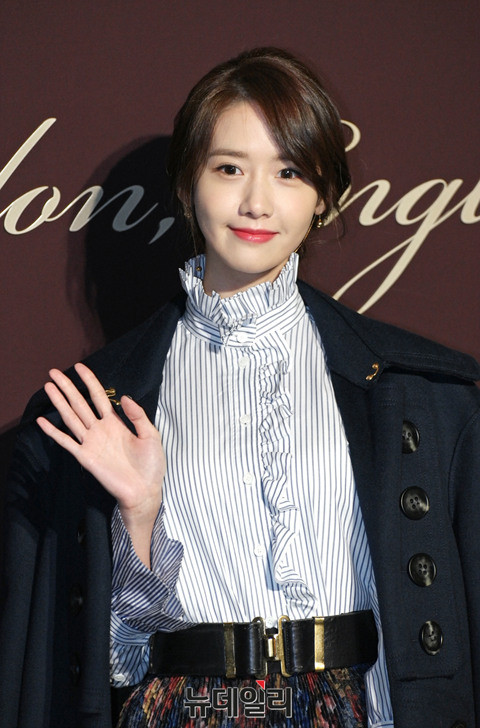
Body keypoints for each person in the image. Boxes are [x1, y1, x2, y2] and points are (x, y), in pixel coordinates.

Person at [0, 47, 479, 728]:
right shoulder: (97, 406)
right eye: (229, 168)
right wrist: (138, 517)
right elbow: (113, 666)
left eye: (289, 172)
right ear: (188, 183)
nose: (256, 202)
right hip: (185, 710)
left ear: (323, 197)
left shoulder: (422, 394)